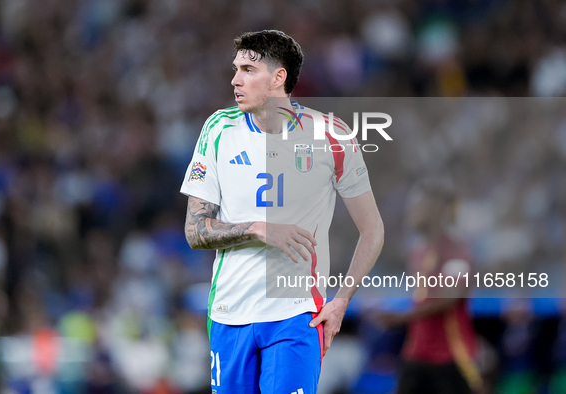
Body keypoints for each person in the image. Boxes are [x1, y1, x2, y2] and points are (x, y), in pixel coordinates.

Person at [180, 30, 384, 394]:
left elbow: (372, 230)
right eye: (235, 69)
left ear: (278, 78)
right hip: (229, 315)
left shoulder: (332, 136)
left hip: (296, 316)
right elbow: (195, 231)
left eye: (247, 69)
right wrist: (258, 228)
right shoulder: (217, 130)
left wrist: (341, 302)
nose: (235, 79)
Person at [378, 179, 481, 394]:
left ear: (436, 209)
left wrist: (400, 318)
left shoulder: (456, 250)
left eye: (418, 205)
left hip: (451, 355)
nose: (410, 211)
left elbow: (451, 298)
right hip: (416, 353)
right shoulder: (417, 251)